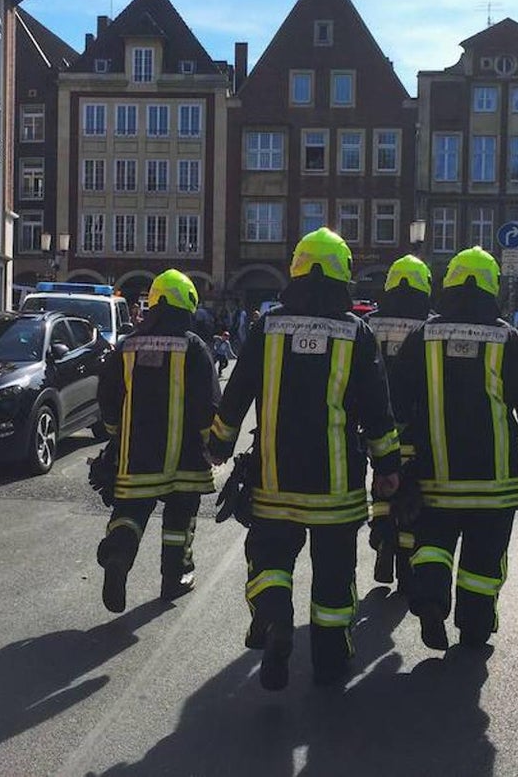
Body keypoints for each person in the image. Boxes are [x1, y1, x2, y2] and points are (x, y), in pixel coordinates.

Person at [208, 228, 400, 690]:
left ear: (295, 270)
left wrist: (218, 445)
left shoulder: (266, 328)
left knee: (270, 557)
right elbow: (377, 408)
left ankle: (274, 616)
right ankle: (331, 661)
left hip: (274, 480)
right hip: (337, 486)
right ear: (342, 276)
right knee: (334, 576)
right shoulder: (355, 333)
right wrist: (389, 467)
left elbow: (236, 395)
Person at [390, 246, 518, 651]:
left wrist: (394, 452)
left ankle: (429, 599)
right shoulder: (508, 338)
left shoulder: (423, 336)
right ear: (491, 286)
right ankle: (475, 629)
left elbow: (396, 398)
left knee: (432, 543)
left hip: (435, 474)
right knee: (483, 558)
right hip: (494, 482)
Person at [96, 269, 221, 613]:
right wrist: (213, 444)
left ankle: (119, 555)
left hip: (135, 455)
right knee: (180, 520)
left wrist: (114, 434)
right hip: (186, 458)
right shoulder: (193, 347)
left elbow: (108, 395)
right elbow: (208, 403)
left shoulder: (127, 346)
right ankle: (174, 577)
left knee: (130, 512)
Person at [365, 254, 433, 592]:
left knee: (381, 477)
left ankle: (380, 534)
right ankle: (405, 558)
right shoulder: (431, 325)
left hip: (376, 421)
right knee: (410, 490)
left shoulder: (370, 324)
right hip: (417, 423)